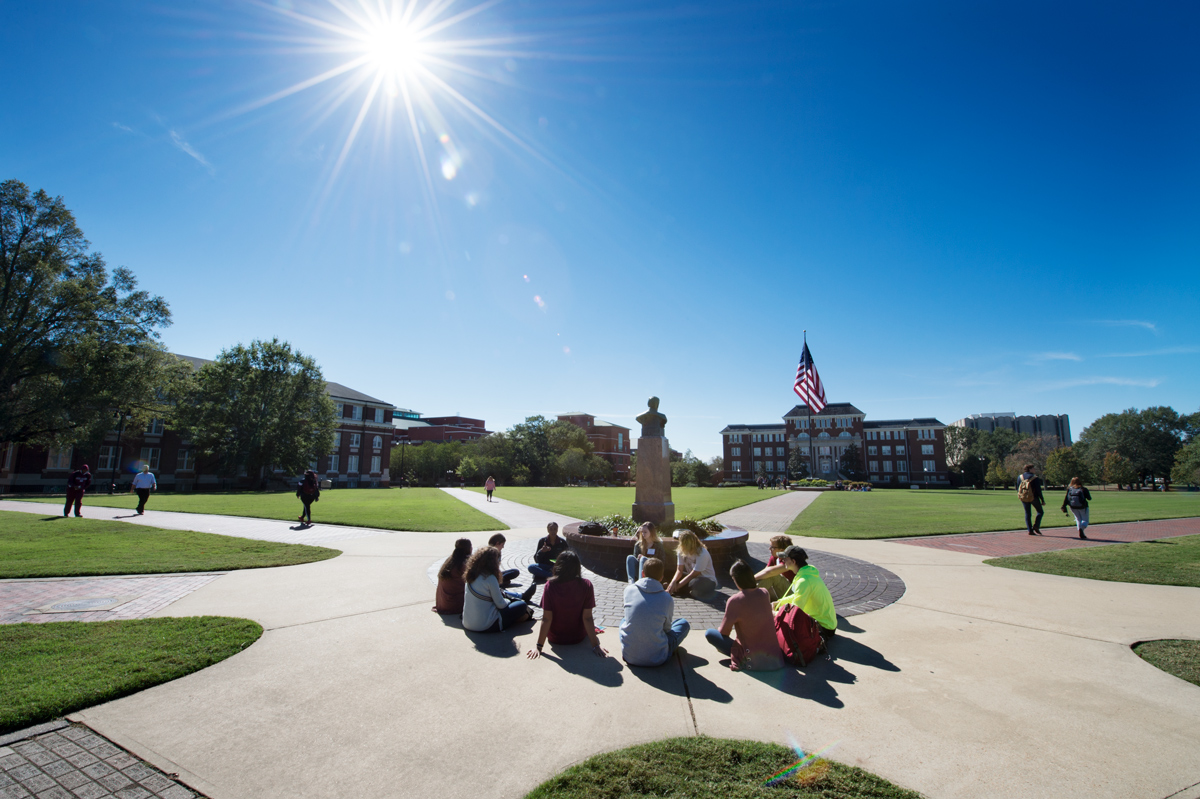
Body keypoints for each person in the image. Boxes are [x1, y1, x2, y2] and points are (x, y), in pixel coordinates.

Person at [705, 560, 784, 671]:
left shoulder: (735, 600)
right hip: (775, 657)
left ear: (736, 580)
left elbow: (724, 632)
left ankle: (741, 657)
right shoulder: (765, 593)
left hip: (752, 659)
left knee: (710, 634)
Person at [526, 551, 608, 659]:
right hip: (578, 637)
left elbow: (546, 619)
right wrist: (596, 646)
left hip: (555, 638)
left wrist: (539, 647)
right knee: (593, 629)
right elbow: (587, 618)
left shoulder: (550, 586)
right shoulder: (587, 585)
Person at [619, 558, 689, 667]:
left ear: (643, 573)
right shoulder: (666, 598)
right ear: (661, 577)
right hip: (657, 658)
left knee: (624, 621)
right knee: (683, 624)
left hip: (629, 656)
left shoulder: (628, 590)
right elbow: (667, 629)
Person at [773, 546, 837, 642]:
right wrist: (779, 602)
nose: (783, 561)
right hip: (827, 624)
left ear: (793, 561)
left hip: (823, 628)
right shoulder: (807, 574)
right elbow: (797, 596)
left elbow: (794, 613)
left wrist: (775, 614)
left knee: (782, 625)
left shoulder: (804, 580)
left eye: (785, 558)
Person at [461, 546, 532, 633]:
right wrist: (508, 601)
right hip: (486, 625)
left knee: (515, 605)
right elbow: (501, 605)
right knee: (522, 605)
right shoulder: (489, 578)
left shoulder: (470, 575)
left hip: (467, 623)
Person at [667, 530, 717, 601]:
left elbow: (693, 574)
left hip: (706, 579)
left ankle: (680, 590)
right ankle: (683, 590)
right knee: (668, 573)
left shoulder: (702, 553)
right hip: (691, 577)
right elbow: (679, 570)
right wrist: (673, 582)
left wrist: (676, 587)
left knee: (694, 583)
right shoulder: (681, 550)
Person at [526, 522, 570, 590]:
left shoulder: (562, 542)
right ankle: (553, 576)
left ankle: (546, 575)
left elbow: (568, 558)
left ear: (557, 530)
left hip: (557, 567)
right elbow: (537, 559)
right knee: (531, 567)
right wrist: (542, 551)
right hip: (545, 566)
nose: (553, 531)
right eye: (551, 529)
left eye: (555, 529)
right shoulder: (542, 541)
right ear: (548, 530)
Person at [433, 538, 472, 615]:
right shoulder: (463, 564)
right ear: (469, 548)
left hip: (442, 603)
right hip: (453, 605)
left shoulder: (450, 561)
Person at [753, 535, 796, 601]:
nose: (769, 549)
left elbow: (770, 572)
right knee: (766, 577)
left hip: (794, 595)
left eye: (772, 547)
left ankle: (747, 599)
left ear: (782, 550)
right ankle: (748, 597)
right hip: (783, 592)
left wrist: (751, 580)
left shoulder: (790, 560)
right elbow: (765, 571)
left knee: (773, 576)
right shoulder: (775, 557)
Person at [1017, 464, 1045, 535]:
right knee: (1040, 512)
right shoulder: (1034, 478)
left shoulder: (1020, 477)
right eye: (1033, 468)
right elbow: (1038, 490)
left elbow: (1017, 487)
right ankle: (1036, 526)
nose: (1034, 470)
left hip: (1024, 497)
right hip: (1033, 497)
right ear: (1030, 469)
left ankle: (1030, 530)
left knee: (1027, 513)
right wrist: (1042, 499)